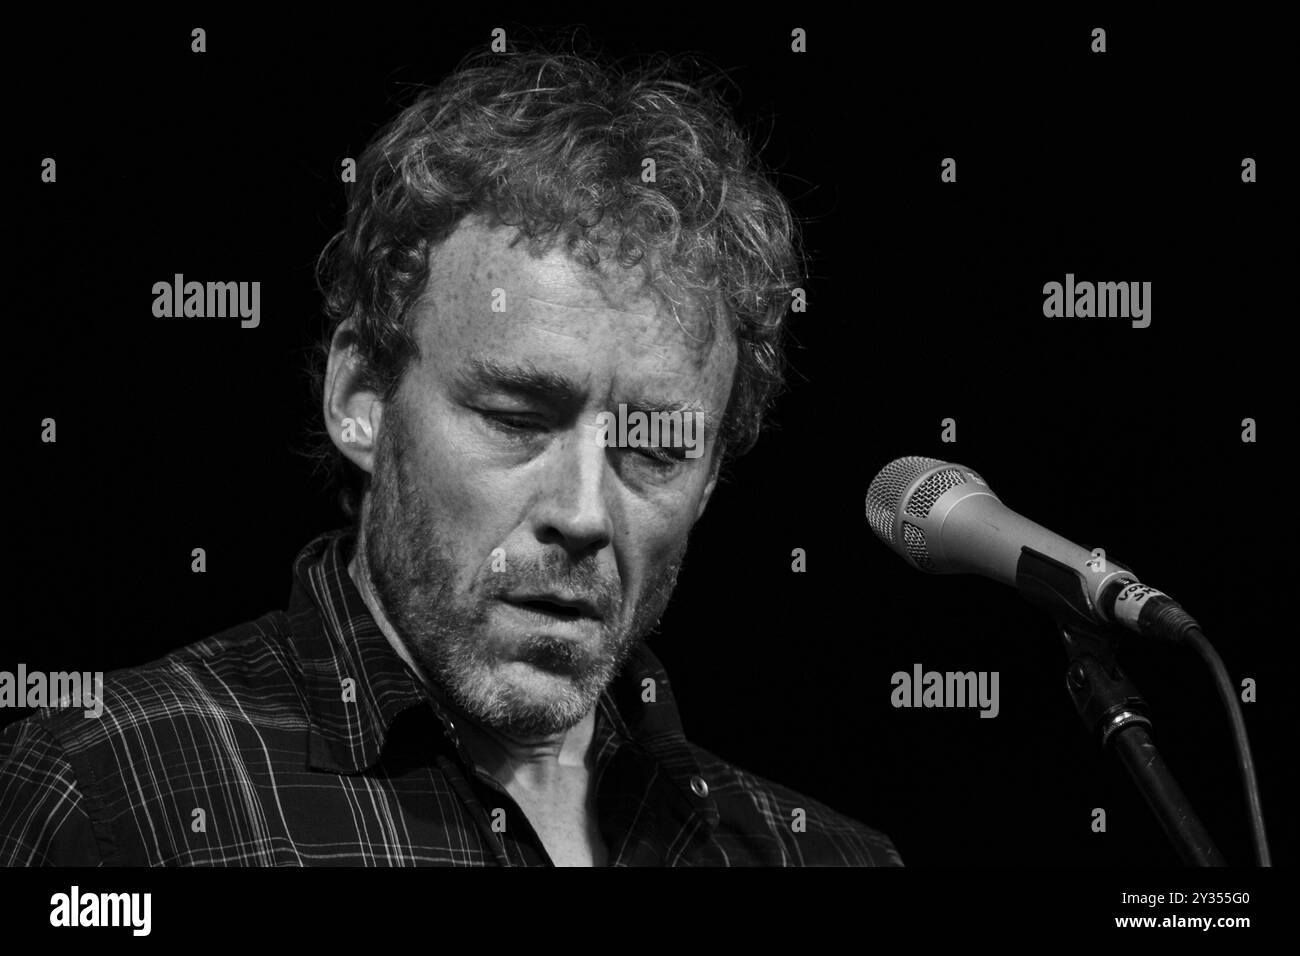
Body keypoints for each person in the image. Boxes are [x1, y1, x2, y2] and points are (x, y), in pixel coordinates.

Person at [0, 48, 901, 866]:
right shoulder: (117, 789)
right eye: (516, 418)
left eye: (656, 445)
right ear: (361, 399)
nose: (584, 513)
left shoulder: (827, 857)